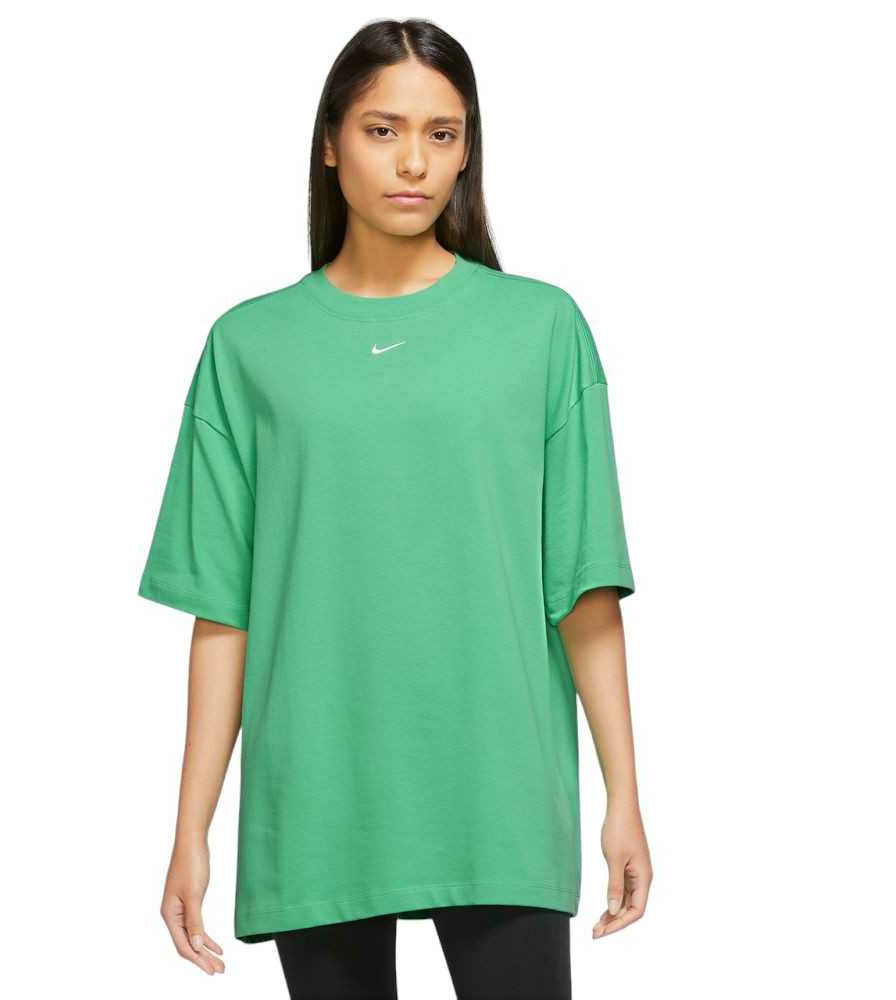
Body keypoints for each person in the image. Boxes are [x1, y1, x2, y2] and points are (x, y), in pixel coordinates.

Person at [137, 17, 652, 999]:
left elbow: (583, 586)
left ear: (467, 150)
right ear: (331, 142)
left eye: (441, 133)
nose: (414, 161)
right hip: (316, 796)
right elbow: (224, 611)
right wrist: (189, 830)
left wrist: (622, 795)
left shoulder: (541, 328)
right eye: (382, 130)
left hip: (500, 790)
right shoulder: (249, 347)